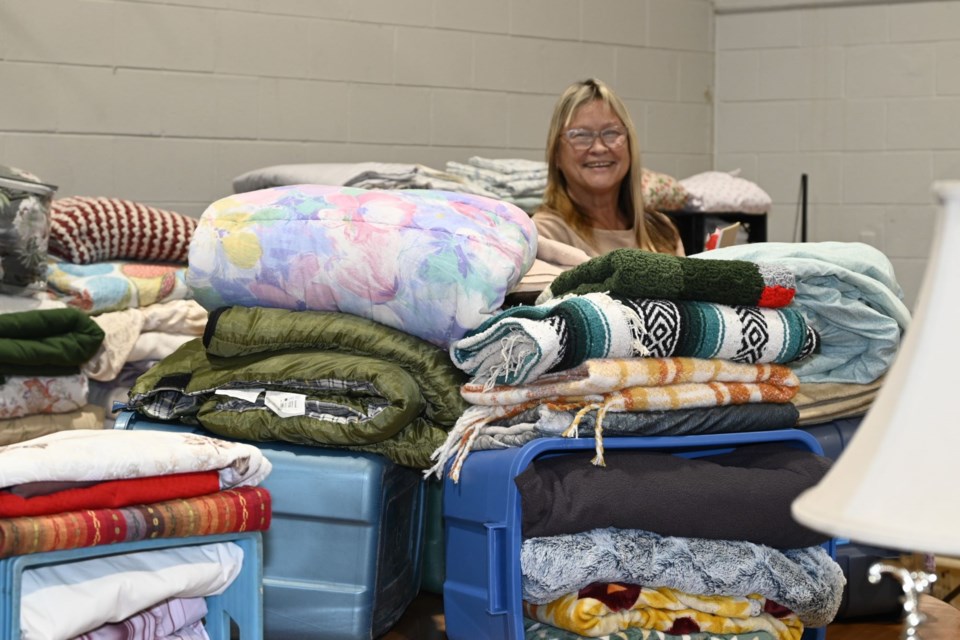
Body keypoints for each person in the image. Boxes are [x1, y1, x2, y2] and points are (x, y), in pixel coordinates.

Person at [533, 78, 685, 257]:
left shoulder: (661, 230)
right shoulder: (544, 235)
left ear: (630, 145)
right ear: (556, 154)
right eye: (581, 135)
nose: (599, 148)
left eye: (611, 133)